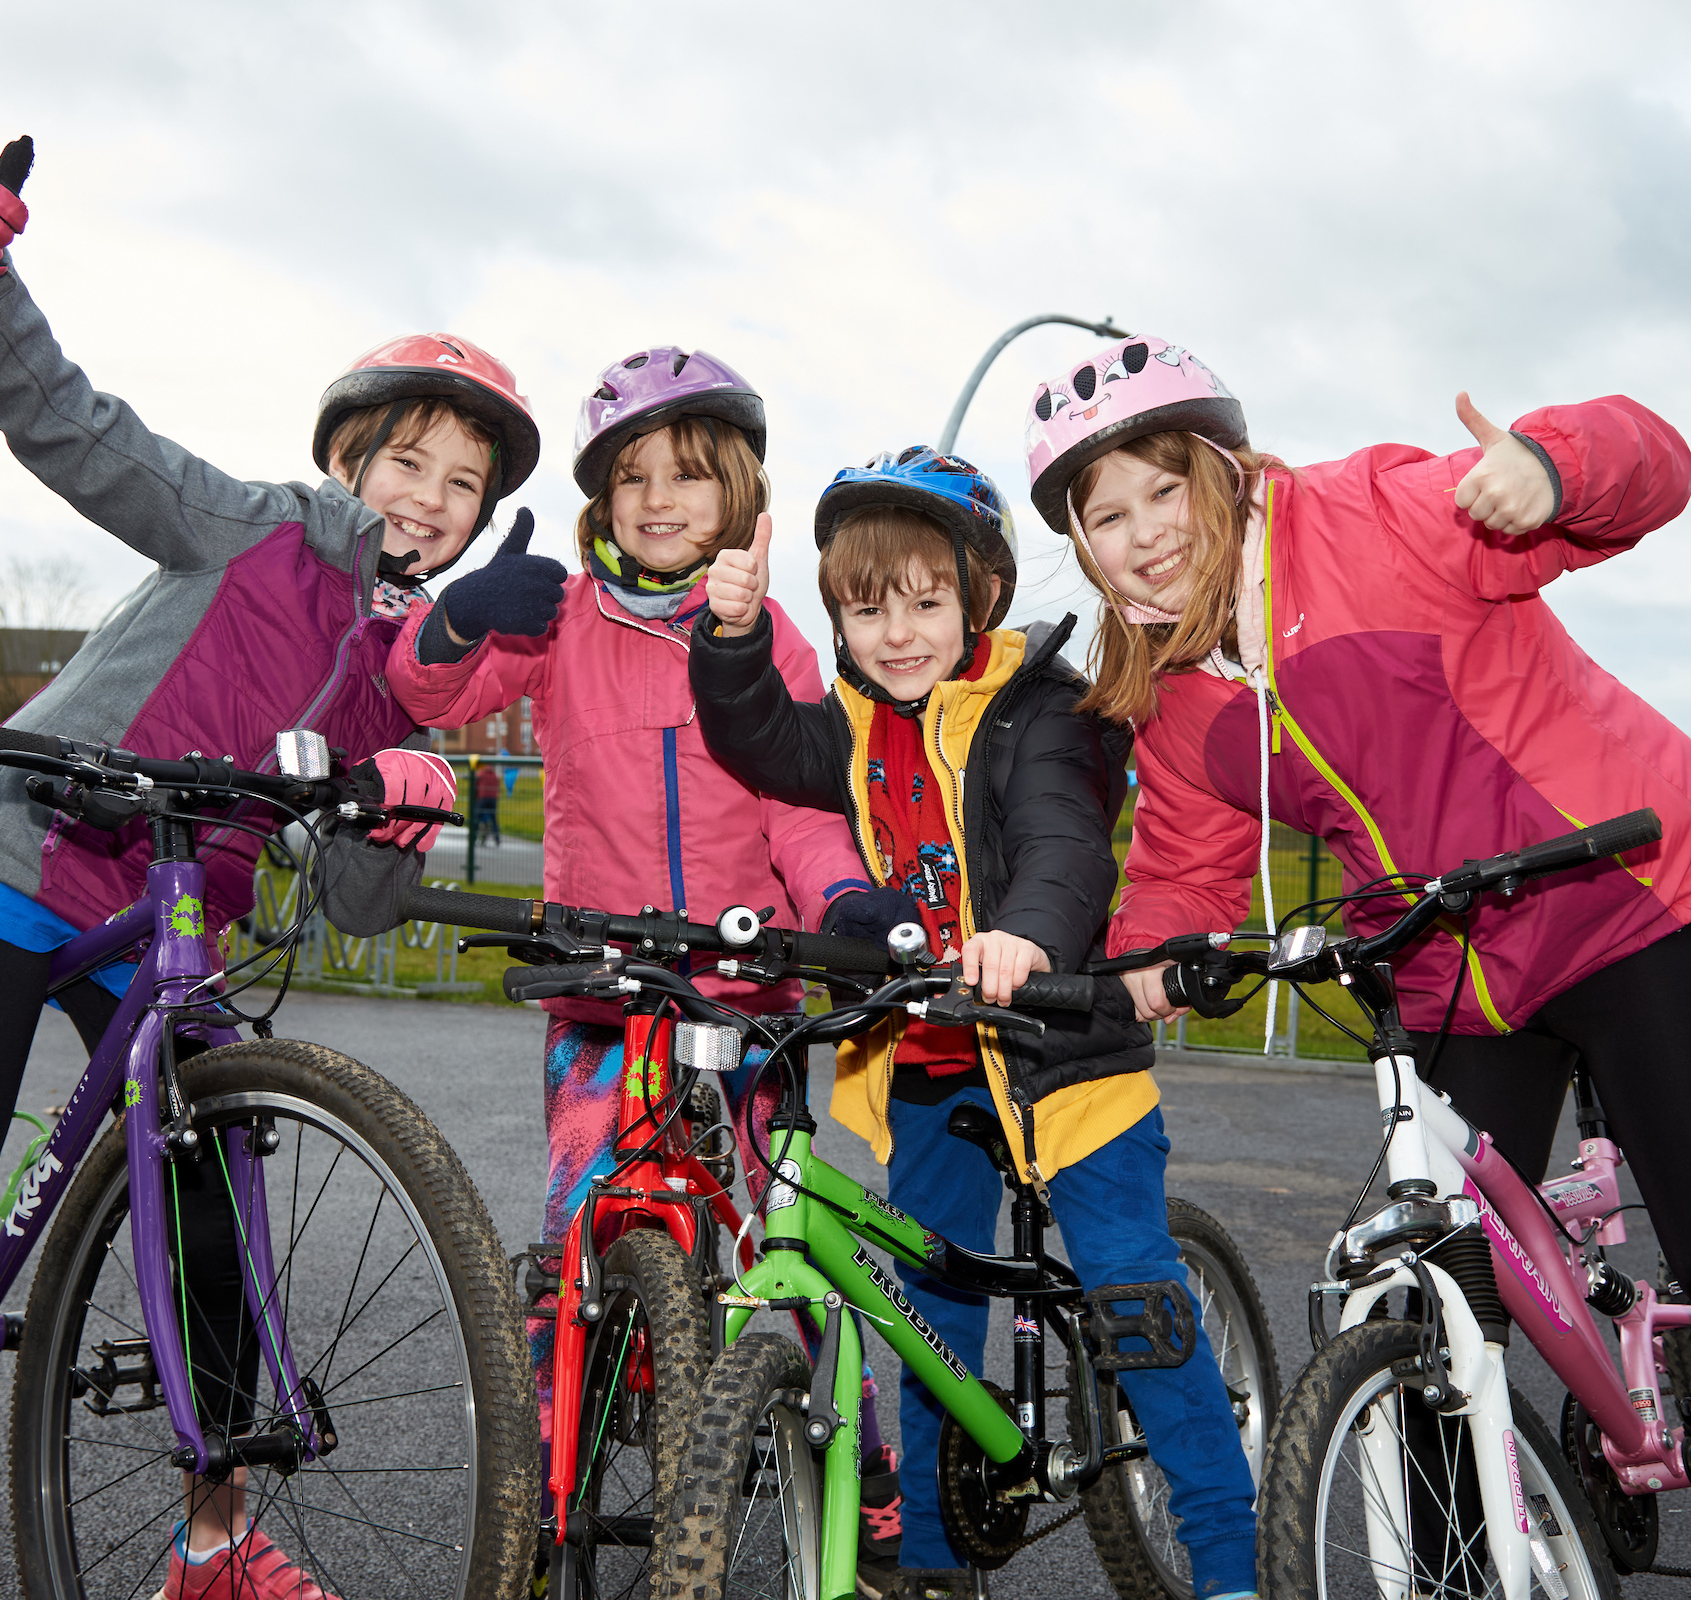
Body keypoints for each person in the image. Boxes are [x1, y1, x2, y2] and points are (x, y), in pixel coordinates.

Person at [1043, 334, 1691, 1600]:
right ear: (1079, 546)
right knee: (1430, 1304)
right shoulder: (1174, 689)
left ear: (1224, 468)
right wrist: (1145, 958)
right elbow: (1188, 862)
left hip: (1630, 899)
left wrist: (1549, 466)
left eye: (1163, 487)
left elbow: (1653, 464)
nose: (1144, 532)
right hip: (1459, 968)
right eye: (1105, 515)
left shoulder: (1376, 515)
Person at [0, 138, 519, 1600]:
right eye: (407, 461)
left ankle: (212, 1540)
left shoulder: (398, 677)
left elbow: (358, 907)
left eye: (463, 484)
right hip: (22, 851)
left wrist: (404, 803)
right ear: (350, 463)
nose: (429, 497)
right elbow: (78, 431)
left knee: (220, 1215)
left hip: (163, 920)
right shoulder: (256, 531)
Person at [688, 447, 1259, 1600]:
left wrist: (1030, 936)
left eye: (925, 602)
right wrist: (735, 639)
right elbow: (755, 739)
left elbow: (1060, 836)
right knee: (926, 1314)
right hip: (929, 1058)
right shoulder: (847, 720)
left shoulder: (1036, 707)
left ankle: (1234, 1565)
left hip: (1059, 1049)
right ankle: (941, 1568)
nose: (897, 634)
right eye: (864, 608)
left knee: (1132, 1297)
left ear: (978, 595)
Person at [386, 346, 912, 1589]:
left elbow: (797, 799)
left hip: (749, 997)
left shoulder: (766, 632)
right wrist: (457, 613)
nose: (658, 498)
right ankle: (539, 1473)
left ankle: (863, 1463)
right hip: (603, 992)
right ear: (600, 498)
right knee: (573, 1236)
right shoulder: (565, 620)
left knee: (778, 1252)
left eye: (686, 474)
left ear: (736, 494)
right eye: (632, 477)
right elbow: (430, 689)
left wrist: (842, 901)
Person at [472, 757, 503, 845]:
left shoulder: (481, 774)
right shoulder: (495, 775)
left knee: (476, 817)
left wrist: (475, 797)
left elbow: (475, 785)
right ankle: (497, 838)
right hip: (493, 799)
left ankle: (473, 837)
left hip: (482, 798)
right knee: (493, 819)